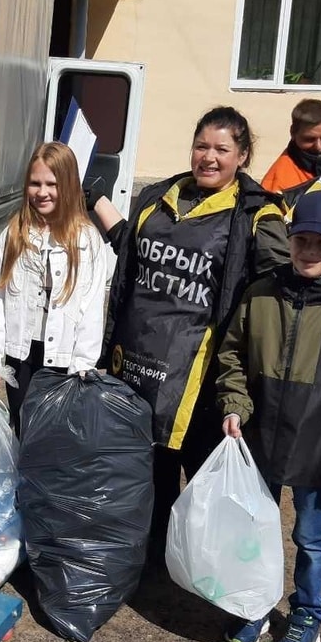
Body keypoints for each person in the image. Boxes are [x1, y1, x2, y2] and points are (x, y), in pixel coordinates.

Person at [86, 106, 289, 549]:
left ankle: (195, 559)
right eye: (202, 146)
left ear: (243, 156)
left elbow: (281, 285)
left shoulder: (256, 215)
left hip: (203, 375)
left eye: (222, 149)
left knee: (199, 472)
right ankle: (151, 552)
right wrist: (94, 201)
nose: (209, 158)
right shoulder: (159, 197)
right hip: (137, 363)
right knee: (145, 467)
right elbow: (130, 256)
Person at [216, 188, 321, 642]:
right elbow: (232, 355)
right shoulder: (260, 293)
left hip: (317, 445)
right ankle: (255, 601)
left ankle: (307, 611)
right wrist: (234, 403)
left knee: (311, 534)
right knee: (256, 527)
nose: (309, 251)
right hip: (259, 436)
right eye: (301, 240)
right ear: (289, 239)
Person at [0, 141, 109, 432]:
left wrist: (83, 365)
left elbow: (91, 307)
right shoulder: (15, 234)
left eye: (52, 183)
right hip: (21, 354)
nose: (42, 192)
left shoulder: (86, 240)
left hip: (63, 359)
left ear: (69, 185)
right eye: (35, 183)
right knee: (22, 428)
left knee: (53, 437)